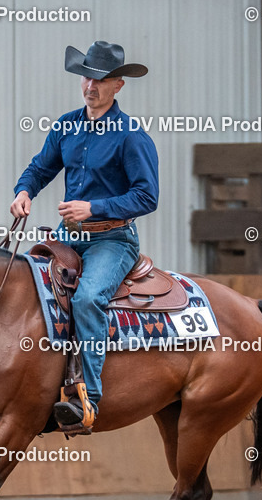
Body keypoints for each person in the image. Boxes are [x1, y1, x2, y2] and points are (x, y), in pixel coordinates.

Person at [11, 41, 159, 428]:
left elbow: (147, 196)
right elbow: (40, 168)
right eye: (86, 77)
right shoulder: (66, 125)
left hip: (112, 239)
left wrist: (93, 208)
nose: (90, 85)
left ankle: (87, 398)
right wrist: (24, 191)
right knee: (24, 288)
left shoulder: (131, 136)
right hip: (68, 235)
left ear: (118, 86)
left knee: (89, 298)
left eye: (100, 79)